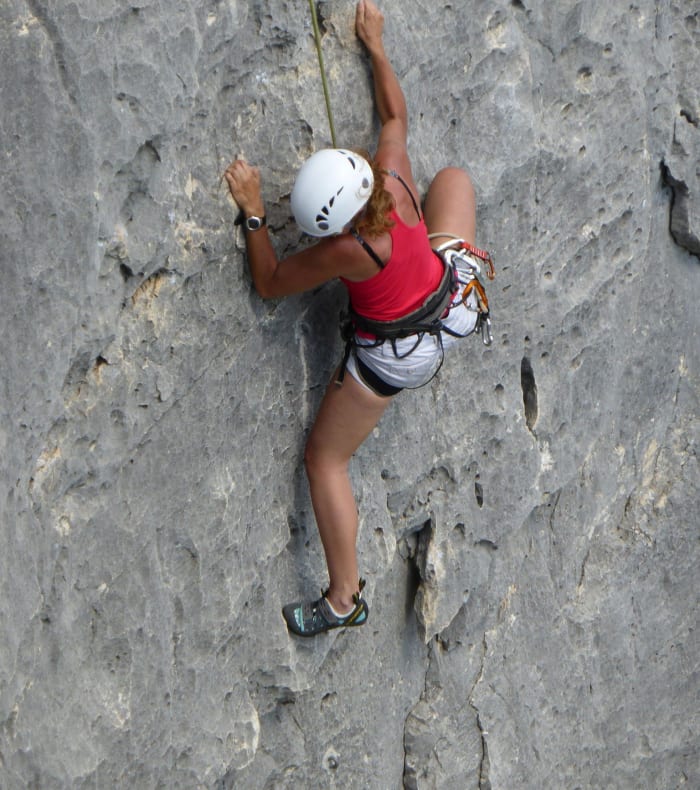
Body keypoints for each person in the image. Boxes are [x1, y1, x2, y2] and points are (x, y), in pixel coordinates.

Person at [224, 0, 493, 638]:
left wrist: (255, 212)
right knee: (453, 179)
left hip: (395, 355)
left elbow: (269, 283)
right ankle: (438, 263)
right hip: (451, 300)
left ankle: (344, 600)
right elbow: (395, 115)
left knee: (324, 461)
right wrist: (375, 46)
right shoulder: (393, 178)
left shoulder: (346, 250)